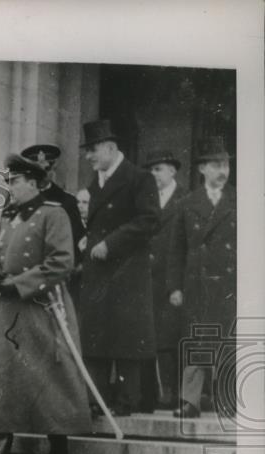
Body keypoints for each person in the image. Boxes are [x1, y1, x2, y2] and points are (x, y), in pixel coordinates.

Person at [0, 154, 91, 454]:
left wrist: (17, 283)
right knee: (5, 378)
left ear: (33, 183)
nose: (9, 187)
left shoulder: (54, 214)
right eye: (8, 181)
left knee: (51, 373)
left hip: (42, 306)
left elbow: (61, 262)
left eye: (14, 181)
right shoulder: (9, 217)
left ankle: (58, 444)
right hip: (10, 311)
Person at [78, 119, 159, 417]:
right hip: (100, 272)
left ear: (111, 148)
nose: (88, 156)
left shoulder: (139, 178)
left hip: (127, 271)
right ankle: (96, 401)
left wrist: (110, 243)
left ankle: (126, 402)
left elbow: (149, 220)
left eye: (93, 150)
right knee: (97, 336)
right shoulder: (96, 183)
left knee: (127, 338)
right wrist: (88, 239)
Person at [167, 137, 236, 419]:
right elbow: (176, 250)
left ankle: (227, 399)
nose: (223, 170)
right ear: (202, 170)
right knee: (196, 340)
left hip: (230, 283)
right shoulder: (186, 203)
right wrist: (174, 287)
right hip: (196, 283)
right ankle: (191, 401)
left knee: (228, 340)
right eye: (217, 165)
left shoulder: (242, 199)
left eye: (226, 165)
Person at [142, 149, 189, 411]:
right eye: (151, 170)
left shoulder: (186, 199)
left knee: (171, 336)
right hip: (147, 278)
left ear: (172, 171)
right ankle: (149, 394)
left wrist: (178, 283)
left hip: (172, 279)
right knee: (149, 336)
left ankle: (172, 393)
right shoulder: (146, 199)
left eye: (158, 169)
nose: (154, 175)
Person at [20, 144, 87, 302]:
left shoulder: (67, 201)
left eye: (46, 171)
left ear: (53, 169)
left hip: (56, 280)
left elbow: (77, 239)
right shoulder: (19, 200)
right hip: (24, 278)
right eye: (37, 172)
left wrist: (70, 269)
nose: (42, 176)